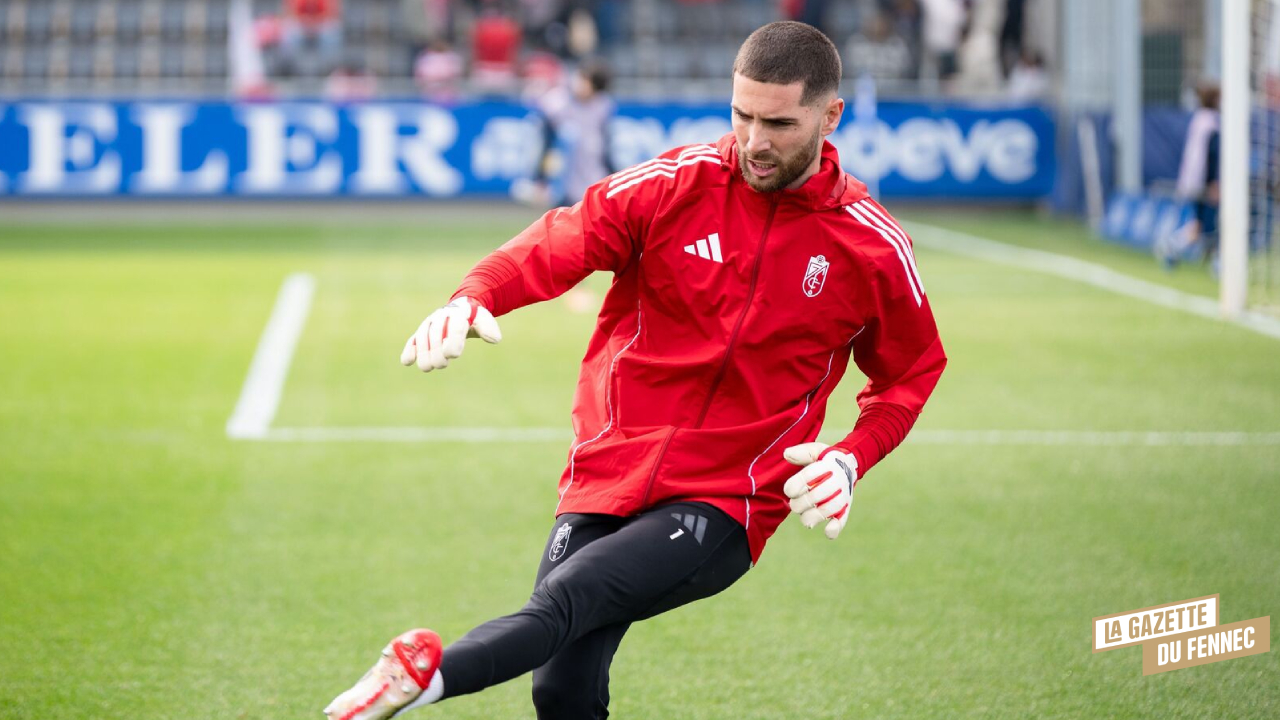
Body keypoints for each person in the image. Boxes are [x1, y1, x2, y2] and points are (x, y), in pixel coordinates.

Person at [325, 21, 946, 720]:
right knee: (560, 687)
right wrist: (473, 295)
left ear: (831, 117)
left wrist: (850, 458)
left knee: (570, 597)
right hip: (607, 468)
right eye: (741, 115)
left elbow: (911, 372)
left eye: (778, 123)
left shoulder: (870, 244)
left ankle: (421, 680)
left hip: (727, 497)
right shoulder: (675, 184)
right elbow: (560, 239)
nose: (753, 141)